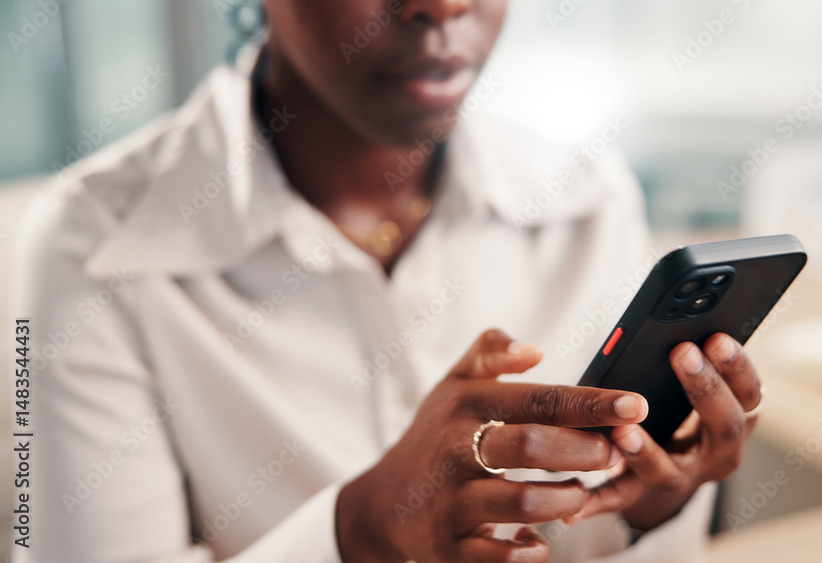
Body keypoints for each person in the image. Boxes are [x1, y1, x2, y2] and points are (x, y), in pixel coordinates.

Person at [16, 1, 763, 561]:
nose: (443, 6)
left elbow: (595, 533)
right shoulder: (92, 248)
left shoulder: (587, 198)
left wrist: (649, 511)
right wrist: (360, 531)